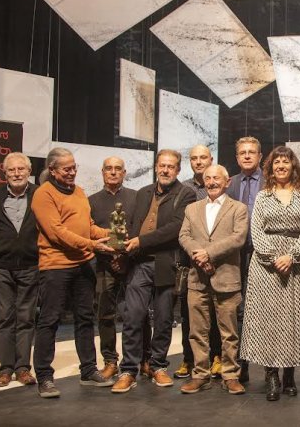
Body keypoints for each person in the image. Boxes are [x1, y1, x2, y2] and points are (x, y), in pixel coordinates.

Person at [30, 147, 115, 398]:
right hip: (56, 266)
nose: (72, 172)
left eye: (74, 167)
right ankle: (44, 377)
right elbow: (56, 231)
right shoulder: (43, 194)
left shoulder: (78, 192)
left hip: (82, 264)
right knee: (50, 320)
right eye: (66, 168)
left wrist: (113, 235)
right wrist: (92, 245)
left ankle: (88, 370)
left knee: (85, 318)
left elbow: (87, 226)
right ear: (52, 170)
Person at [111, 150, 196, 394]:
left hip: (166, 263)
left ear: (178, 170)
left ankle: (158, 366)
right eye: (162, 165)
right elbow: (132, 225)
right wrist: (124, 247)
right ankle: (128, 370)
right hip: (139, 264)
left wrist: (140, 241)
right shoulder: (142, 193)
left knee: (163, 319)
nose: (165, 170)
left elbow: (175, 229)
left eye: (171, 166)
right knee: (133, 316)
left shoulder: (186, 194)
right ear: (156, 167)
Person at [239, 146, 300, 401]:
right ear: (271, 168)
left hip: (298, 265)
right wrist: (274, 257)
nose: (282, 166)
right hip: (266, 267)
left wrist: (293, 256)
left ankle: (289, 375)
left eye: (286, 162)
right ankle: (271, 374)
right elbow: (257, 232)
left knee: (292, 320)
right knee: (270, 321)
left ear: (293, 166)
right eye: (277, 163)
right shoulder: (263, 197)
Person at [178, 164, 249, 395]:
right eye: (207, 178)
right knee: (197, 331)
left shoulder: (238, 208)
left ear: (227, 182)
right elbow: (184, 236)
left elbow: (238, 238)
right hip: (197, 279)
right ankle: (200, 374)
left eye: (216, 178)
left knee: (229, 332)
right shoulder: (192, 208)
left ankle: (230, 375)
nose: (211, 182)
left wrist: (209, 253)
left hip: (226, 278)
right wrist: (199, 255)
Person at [87, 157, 148, 381]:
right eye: (109, 169)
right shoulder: (91, 201)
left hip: (132, 262)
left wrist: (124, 256)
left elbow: (140, 228)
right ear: (102, 172)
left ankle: (144, 360)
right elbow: (88, 231)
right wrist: (111, 252)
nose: (113, 173)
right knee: (105, 314)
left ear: (124, 173)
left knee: (137, 314)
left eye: (118, 169)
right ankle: (110, 361)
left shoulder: (136, 197)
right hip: (103, 264)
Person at [0, 152, 39, 388]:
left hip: (30, 265)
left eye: (20, 169)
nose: (16, 174)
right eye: (11, 171)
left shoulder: (40, 195)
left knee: (26, 318)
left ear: (29, 171)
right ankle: (5, 369)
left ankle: (23, 368)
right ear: (4, 173)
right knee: (4, 319)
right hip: (1, 267)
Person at [175, 144, 223, 380]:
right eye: (194, 158)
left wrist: (209, 253)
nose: (198, 161)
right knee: (189, 313)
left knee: (214, 312)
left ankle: (216, 356)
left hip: (214, 259)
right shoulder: (183, 188)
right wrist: (196, 253)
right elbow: (182, 227)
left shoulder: (219, 185)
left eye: (203, 157)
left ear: (211, 159)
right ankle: (188, 358)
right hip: (190, 259)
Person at [226, 136, 263, 383]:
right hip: (236, 255)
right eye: (242, 153)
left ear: (260, 156)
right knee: (238, 310)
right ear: (237, 157)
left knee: (265, 310)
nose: (247, 156)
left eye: (251, 152)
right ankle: (242, 364)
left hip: (264, 254)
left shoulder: (271, 182)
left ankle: (272, 364)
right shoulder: (230, 183)